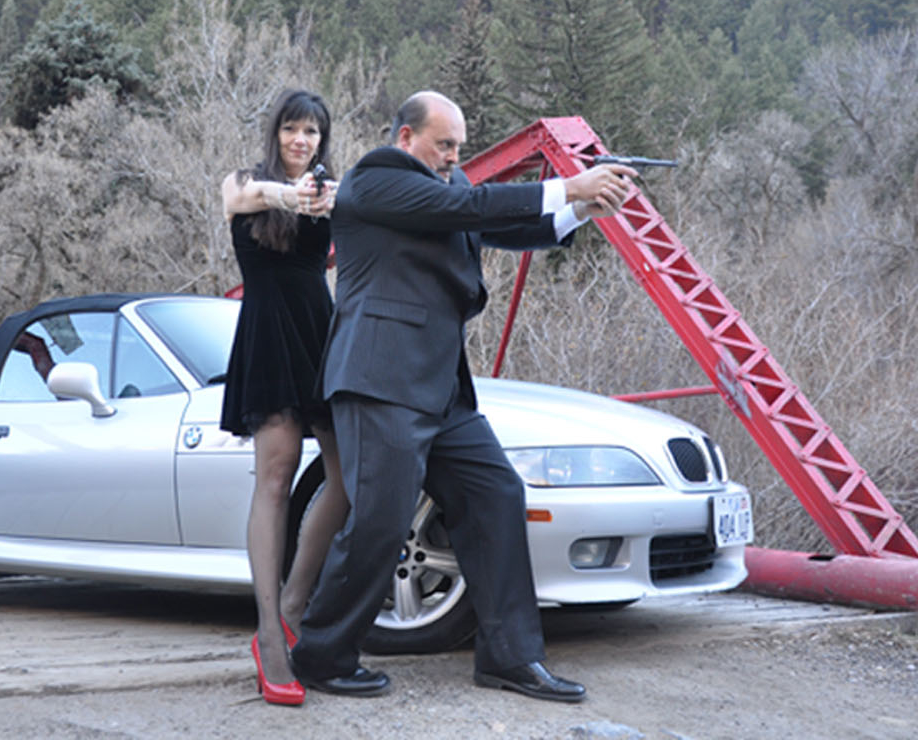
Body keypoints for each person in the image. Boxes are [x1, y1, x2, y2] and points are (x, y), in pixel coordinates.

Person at [288, 90, 637, 702]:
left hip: (442, 388)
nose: (455, 156)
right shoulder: (374, 180)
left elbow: (496, 218)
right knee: (382, 519)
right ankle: (321, 653)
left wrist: (585, 208)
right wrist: (571, 186)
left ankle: (509, 657)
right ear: (404, 139)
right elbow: (470, 204)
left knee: (497, 495)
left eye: (459, 146)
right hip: (381, 379)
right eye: (444, 144)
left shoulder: (448, 190)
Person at [219, 88, 349, 707]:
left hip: (321, 337)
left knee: (348, 477)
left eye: (313, 133)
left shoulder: (332, 192)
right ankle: (270, 635)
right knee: (273, 479)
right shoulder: (244, 183)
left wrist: (332, 201)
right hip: (268, 336)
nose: (302, 141)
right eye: (293, 130)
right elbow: (245, 198)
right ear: (276, 133)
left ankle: (295, 603)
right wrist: (289, 194)